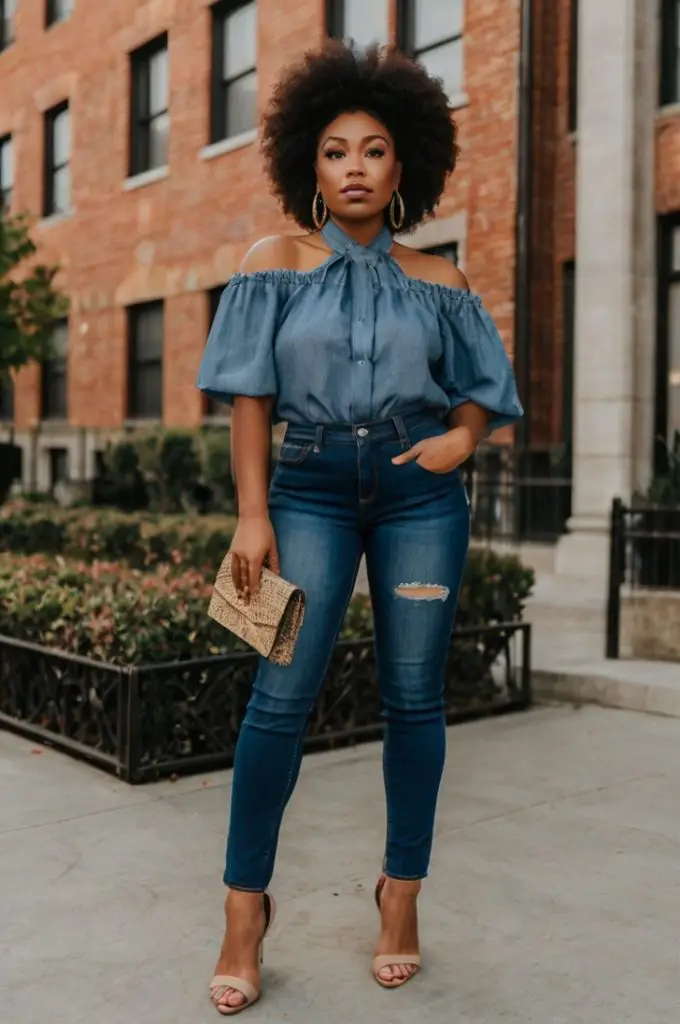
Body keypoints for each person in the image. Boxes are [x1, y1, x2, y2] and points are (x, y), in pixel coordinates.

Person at [197, 41, 523, 1016]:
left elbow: (483, 402)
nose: (352, 166)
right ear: (309, 161)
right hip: (304, 491)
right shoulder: (271, 267)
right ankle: (243, 910)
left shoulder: (442, 279)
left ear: (401, 165)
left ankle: (400, 896)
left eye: (373, 150)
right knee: (279, 694)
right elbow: (247, 399)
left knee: (414, 697)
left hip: (419, 490)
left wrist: (458, 444)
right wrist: (251, 516)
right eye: (334, 148)